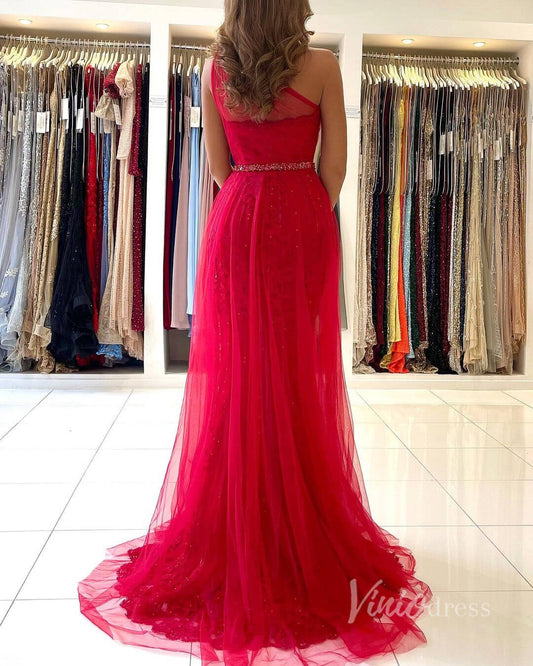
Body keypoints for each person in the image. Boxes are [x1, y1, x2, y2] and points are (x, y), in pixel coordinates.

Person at [78, 1, 433, 664]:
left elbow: (218, 169)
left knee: (240, 372)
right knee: (296, 369)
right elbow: (335, 168)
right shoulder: (322, 65)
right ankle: (294, 513)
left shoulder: (215, 70)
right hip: (301, 218)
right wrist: (302, 211)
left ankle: (239, 515)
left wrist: (259, 194)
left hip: (237, 219)